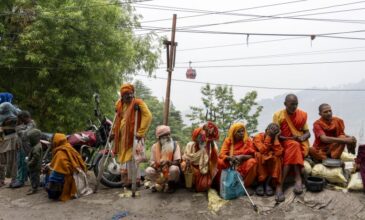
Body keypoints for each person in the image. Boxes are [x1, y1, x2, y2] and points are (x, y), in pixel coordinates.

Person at [111, 83, 152, 187]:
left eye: (130, 94)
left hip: (134, 137)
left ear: (133, 93)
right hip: (122, 138)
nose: (129, 96)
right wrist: (113, 132)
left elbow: (148, 116)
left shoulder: (138, 103)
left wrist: (141, 132)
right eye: (126, 95)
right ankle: (127, 181)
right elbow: (117, 117)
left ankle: (134, 181)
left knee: (132, 159)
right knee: (125, 159)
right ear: (122, 96)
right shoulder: (119, 104)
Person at [273, 94, 310, 197]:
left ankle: (280, 184)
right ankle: (297, 178)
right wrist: (290, 139)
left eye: (296, 104)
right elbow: (276, 135)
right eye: (292, 104)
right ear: (285, 104)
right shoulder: (278, 115)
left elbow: (307, 133)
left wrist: (302, 138)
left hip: (298, 143)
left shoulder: (301, 114)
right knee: (293, 145)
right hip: (283, 143)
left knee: (294, 146)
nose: (294, 107)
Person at [46, 133, 91, 201]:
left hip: (67, 184)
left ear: (56, 142)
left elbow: (56, 175)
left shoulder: (60, 153)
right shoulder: (69, 148)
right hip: (76, 179)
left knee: (47, 179)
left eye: (53, 141)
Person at [217, 122, 257, 192]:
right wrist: (230, 158)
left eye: (242, 131)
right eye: (238, 131)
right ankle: (222, 184)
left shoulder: (247, 141)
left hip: (243, 164)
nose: (241, 133)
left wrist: (242, 157)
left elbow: (253, 155)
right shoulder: (228, 141)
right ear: (233, 133)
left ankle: (245, 186)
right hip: (230, 164)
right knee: (218, 161)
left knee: (253, 162)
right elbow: (221, 154)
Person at [181, 121, 219, 192]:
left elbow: (214, 159)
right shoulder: (190, 145)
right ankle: (189, 183)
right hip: (192, 168)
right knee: (183, 164)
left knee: (204, 186)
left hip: (205, 169)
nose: (201, 139)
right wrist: (187, 161)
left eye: (203, 137)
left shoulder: (210, 145)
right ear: (195, 137)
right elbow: (185, 157)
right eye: (199, 137)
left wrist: (211, 144)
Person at [145, 125, 181, 193]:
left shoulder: (175, 145)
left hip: (170, 172)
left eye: (168, 135)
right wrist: (156, 165)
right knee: (148, 170)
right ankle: (159, 184)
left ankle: (171, 185)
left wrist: (168, 162)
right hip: (159, 171)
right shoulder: (154, 146)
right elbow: (151, 161)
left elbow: (177, 161)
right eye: (164, 136)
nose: (167, 137)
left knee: (174, 169)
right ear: (159, 138)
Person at [253, 123, 284, 201]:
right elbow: (262, 150)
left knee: (277, 158)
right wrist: (269, 136)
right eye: (271, 131)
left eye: (275, 132)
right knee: (259, 155)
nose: (272, 133)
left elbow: (279, 153)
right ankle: (261, 183)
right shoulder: (258, 137)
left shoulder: (275, 138)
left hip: (270, 160)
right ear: (266, 130)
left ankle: (267, 183)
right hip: (260, 160)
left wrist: (276, 138)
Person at [11, 111, 36, 188]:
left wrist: (18, 129)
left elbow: (24, 135)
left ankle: (21, 180)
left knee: (23, 163)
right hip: (21, 146)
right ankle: (22, 178)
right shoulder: (24, 125)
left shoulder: (31, 124)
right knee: (20, 162)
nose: (20, 121)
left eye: (21, 119)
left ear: (25, 118)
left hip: (26, 147)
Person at [0, 96, 19, 187]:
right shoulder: (3, 114)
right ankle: (2, 179)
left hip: (12, 140)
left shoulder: (17, 115)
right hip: (3, 140)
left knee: (12, 161)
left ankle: (13, 179)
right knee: (3, 161)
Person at [26, 128, 42, 195]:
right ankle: (34, 186)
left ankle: (34, 188)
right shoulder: (36, 145)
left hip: (35, 166)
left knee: (34, 177)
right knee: (33, 177)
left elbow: (35, 158)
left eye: (30, 139)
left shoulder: (36, 147)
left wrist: (30, 163)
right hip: (34, 166)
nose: (29, 141)